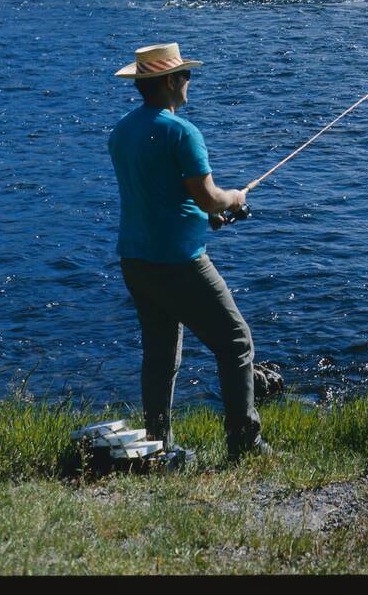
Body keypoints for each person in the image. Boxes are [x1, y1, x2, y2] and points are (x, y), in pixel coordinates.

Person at [109, 41, 270, 462]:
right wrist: (233, 199)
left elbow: (159, 195)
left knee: (160, 356)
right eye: (185, 75)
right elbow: (209, 196)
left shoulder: (121, 132)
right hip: (178, 261)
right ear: (168, 82)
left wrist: (204, 216)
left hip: (135, 259)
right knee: (236, 342)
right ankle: (245, 444)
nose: (188, 82)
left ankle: (158, 446)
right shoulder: (182, 132)